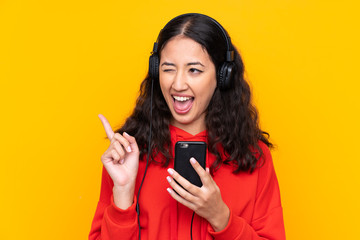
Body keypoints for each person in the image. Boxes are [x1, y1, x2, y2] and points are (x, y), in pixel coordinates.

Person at [89, 13, 286, 240]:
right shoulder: (128, 153)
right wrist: (122, 193)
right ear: (156, 72)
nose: (178, 84)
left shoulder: (253, 157)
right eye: (168, 68)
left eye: (194, 70)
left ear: (222, 77)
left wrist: (221, 217)